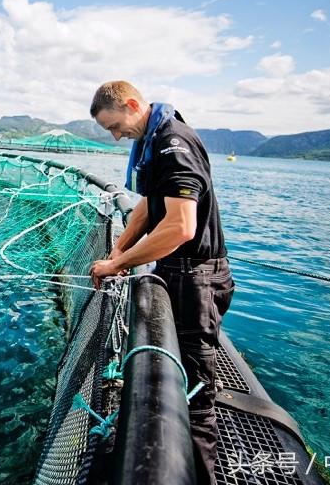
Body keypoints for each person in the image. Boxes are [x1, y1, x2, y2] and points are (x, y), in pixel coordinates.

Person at [88, 80, 234, 485]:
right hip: (178, 273)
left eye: (116, 126)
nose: (116, 136)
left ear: (134, 104)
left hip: (196, 279)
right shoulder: (154, 140)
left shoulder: (172, 143)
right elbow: (149, 206)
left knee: (195, 401)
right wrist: (118, 253)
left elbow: (180, 226)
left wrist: (119, 267)